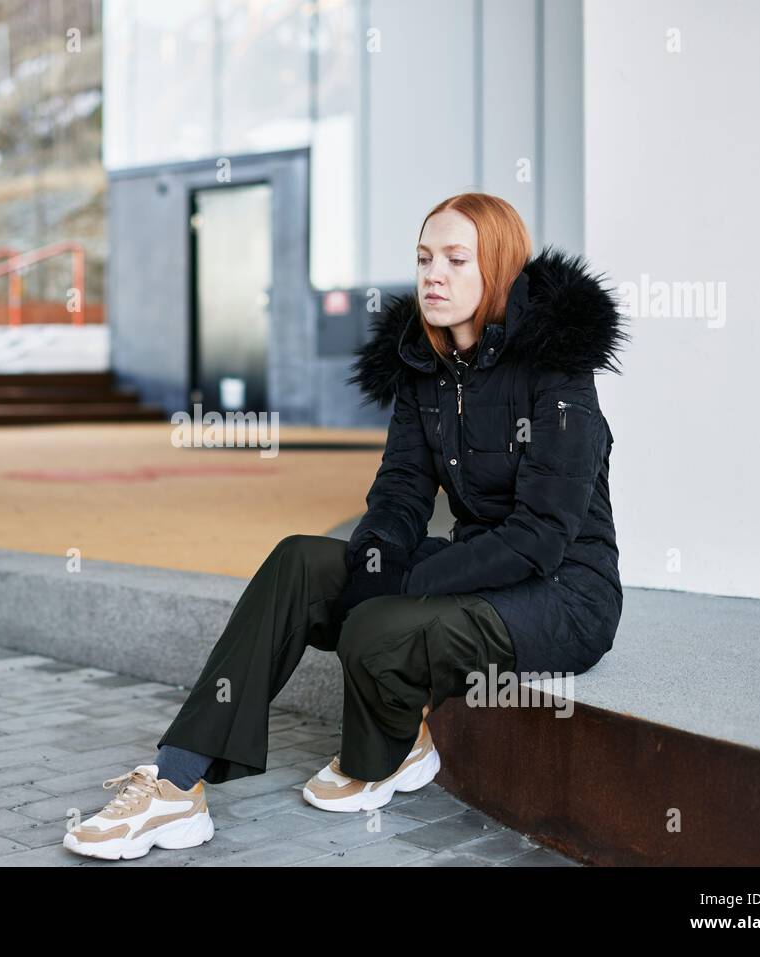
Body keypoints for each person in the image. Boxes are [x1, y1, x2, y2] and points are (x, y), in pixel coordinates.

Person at [62, 192, 628, 861]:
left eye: (455, 259)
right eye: (423, 259)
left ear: (499, 269)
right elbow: (399, 493)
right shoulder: (427, 366)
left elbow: (542, 535)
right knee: (301, 561)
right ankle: (176, 779)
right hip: (479, 569)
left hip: (564, 595)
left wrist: (408, 581)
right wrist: (376, 558)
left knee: (379, 624)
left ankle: (388, 751)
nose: (432, 276)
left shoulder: (557, 370)